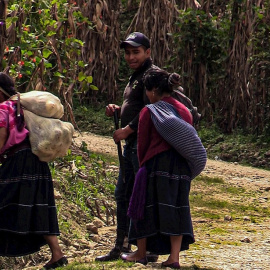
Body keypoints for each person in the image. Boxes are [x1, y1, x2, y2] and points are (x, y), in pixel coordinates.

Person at [120, 69, 207, 269]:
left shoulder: (149, 111)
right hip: (182, 165)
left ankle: (141, 253)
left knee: (142, 207)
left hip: (157, 164)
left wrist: (142, 167)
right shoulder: (184, 110)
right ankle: (174, 258)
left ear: (153, 91)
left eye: (147, 90)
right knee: (176, 208)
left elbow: (143, 144)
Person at [95, 32, 160, 262]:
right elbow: (136, 107)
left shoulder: (150, 75)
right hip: (132, 145)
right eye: (128, 53)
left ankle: (146, 248)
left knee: (136, 195)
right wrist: (118, 110)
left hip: (141, 145)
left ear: (148, 52)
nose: (131, 57)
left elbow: (149, 110)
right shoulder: (137, 75)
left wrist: (127, 130)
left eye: (136, 52)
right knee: (124, 194)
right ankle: (122, 245)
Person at [0, 72, 68, 270]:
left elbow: (2, 139)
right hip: (36, 160)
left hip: (18, 163)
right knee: (41, 206)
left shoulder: (3, 109)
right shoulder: (21, 107)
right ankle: (57, 254)